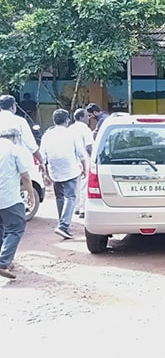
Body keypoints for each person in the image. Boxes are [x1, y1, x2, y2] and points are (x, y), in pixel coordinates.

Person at [40, 109, 89, 239]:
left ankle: (62, 222)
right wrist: (85, 168)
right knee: (71, 197)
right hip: (70, 170)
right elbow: (81, 153)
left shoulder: (47, 135)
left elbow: (42, 156)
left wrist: (44, 173)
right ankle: (63, 225)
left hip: (54, 171)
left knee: (59, 197)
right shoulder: (71, 134)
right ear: (67, 120)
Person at [0, 128, 34, 280]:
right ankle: (3, 262)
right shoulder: (14, 150)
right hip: (8, 198)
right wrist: (31, 196)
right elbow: (25, 176)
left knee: (2, 227)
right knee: (15, 228)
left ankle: (3, 256)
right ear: (14, 137)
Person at [0, 95, 45, 172]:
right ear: (13, 106)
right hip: (17, 163)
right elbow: (30, 144)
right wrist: (41, 161)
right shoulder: (19, 121)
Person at [71, 108, 94, 219]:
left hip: (73, 161)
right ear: (80, 117)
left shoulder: (70, 129)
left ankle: (76, 208)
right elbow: (89, 147)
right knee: (85, 185)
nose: (88, 118)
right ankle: (83, 209)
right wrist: (95, 158)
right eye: (86, 116)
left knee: (76, 185)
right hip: (85, 160)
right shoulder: (85, 129)